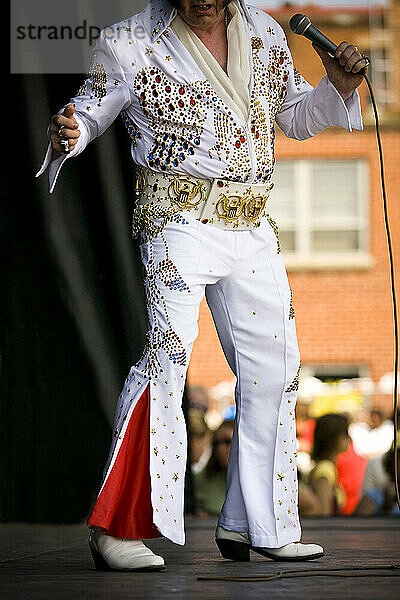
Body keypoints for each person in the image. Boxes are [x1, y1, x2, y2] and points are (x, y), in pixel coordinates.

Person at [36, 0, 368, 570]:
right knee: (166, 359)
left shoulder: (264, 32)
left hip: (252, 223)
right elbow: (91, 109)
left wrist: (334, 87)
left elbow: (293, 116)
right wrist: (74, 130)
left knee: (276, 364)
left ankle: (255, 524)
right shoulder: (129, 41)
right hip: (178, 218)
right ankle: (117, 526)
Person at [307, 413, 350, 516]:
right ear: (333, 436)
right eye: (345, 433)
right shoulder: (325, 469)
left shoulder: (326, 467)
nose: (349, 438)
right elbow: (324, 514)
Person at [194, 419, 234, 516]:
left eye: (227, 441)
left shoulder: (258, 482)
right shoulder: (202, 479)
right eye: (216, 443)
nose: (220, 449)